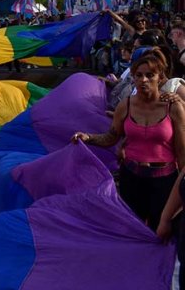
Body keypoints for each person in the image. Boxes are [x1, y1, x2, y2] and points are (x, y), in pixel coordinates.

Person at [72, 50, 185, 231]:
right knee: (132, 228)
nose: (144, 80)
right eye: (138, 75)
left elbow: (182, 154)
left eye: (150, 75)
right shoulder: (126, 105)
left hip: (165, 181)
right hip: (131, 177)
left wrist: (181, 193)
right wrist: (88, 138)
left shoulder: (174, 107)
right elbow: (111, 137)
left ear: (160, 77)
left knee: (160, 232)